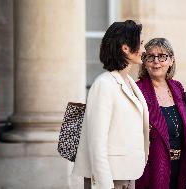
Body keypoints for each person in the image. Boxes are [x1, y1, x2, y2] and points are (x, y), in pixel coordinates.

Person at [73, 20, 150, 189]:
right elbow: (97, 142)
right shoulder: (104, 84)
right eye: (141, 43)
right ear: (125, 48)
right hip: (109, 179)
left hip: (128, 174)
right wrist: (104, 184)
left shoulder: (130, 82)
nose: (144, 50)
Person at [135, 38, 186, 189]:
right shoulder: (137, 90)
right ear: (144, 61)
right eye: (150, 57)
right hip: (152, 167)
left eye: (162, 56)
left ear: (171, 60)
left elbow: (181, 123)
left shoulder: (177, 87)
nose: (156, 61)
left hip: (179, 166)